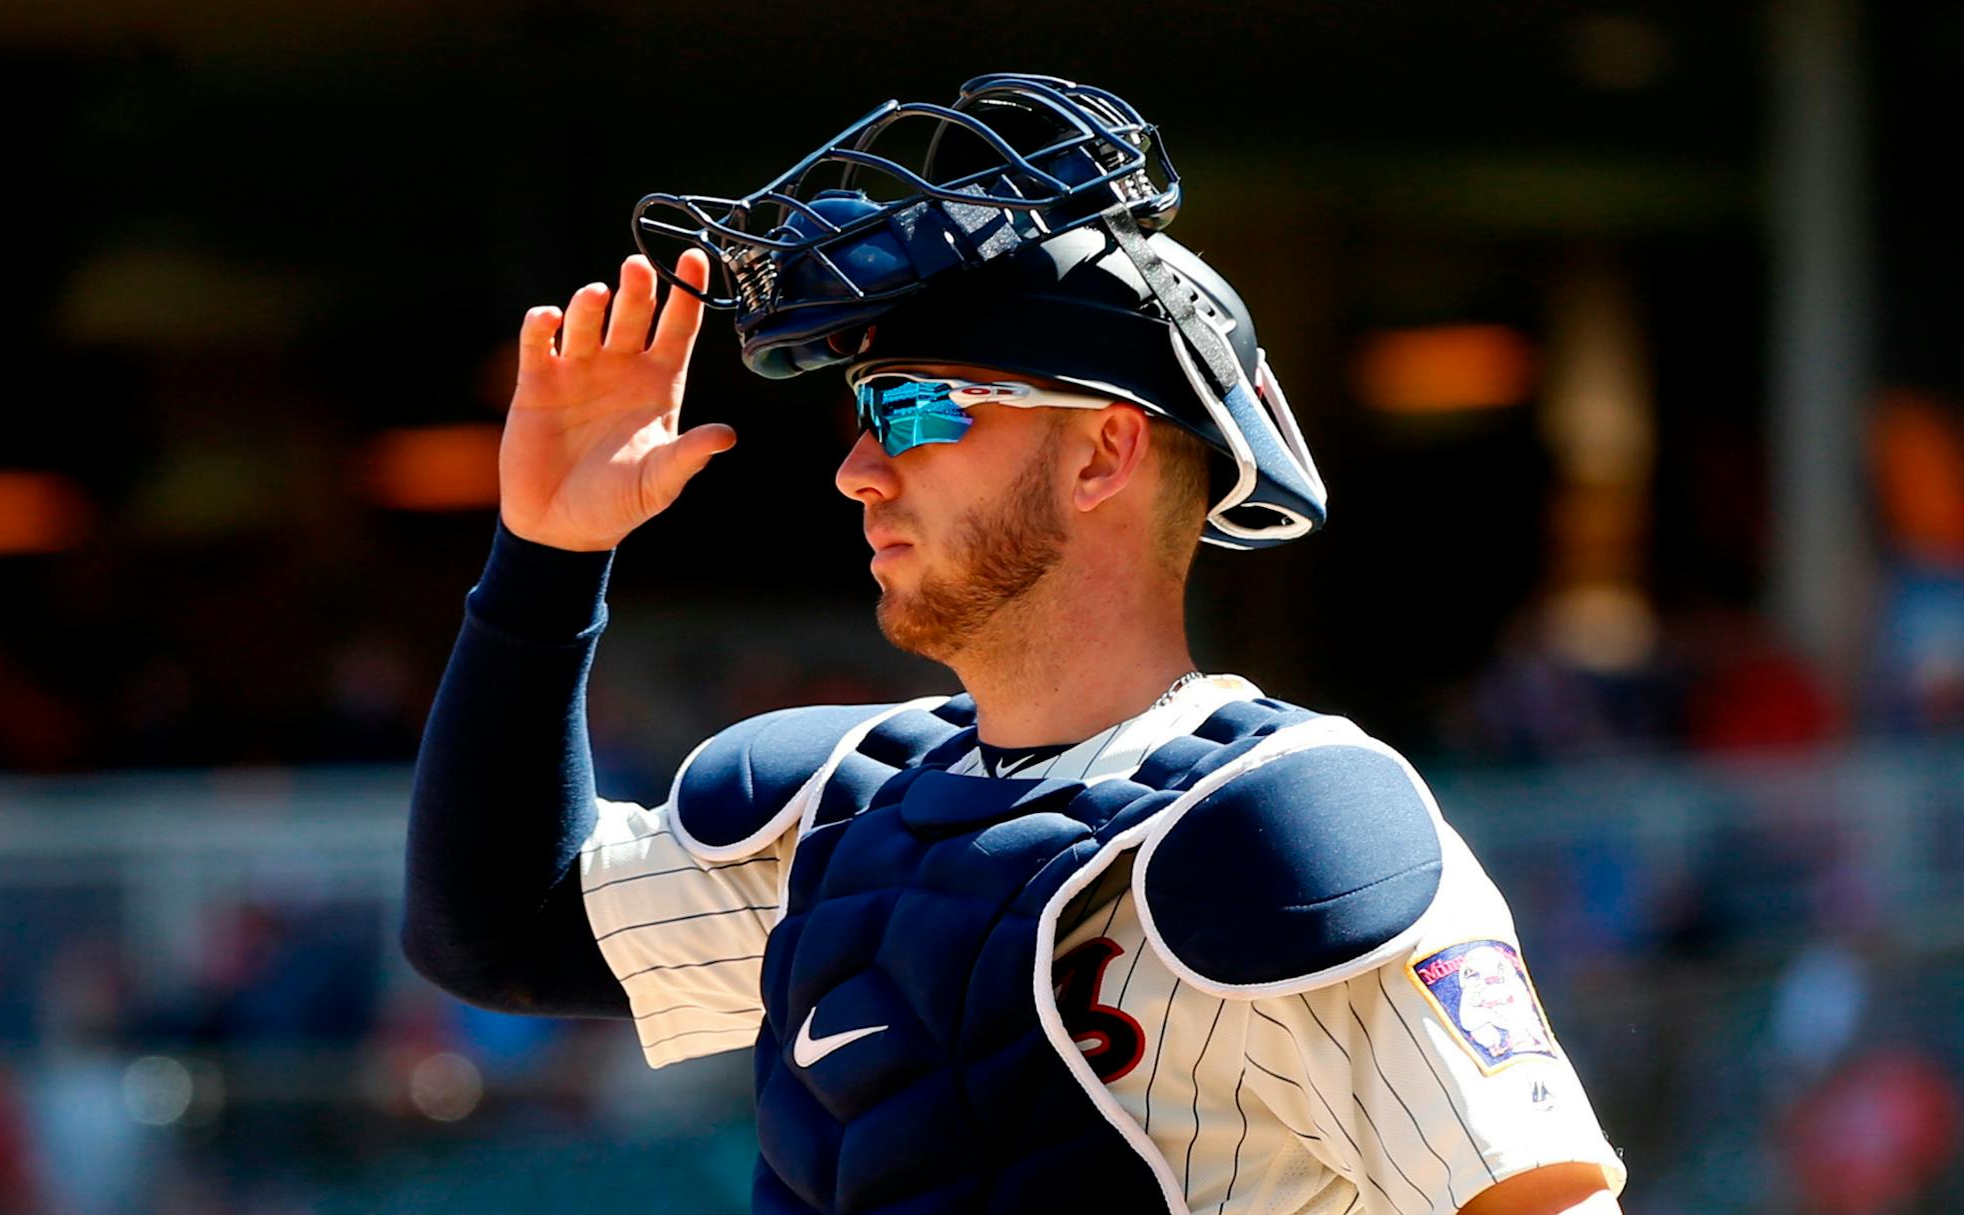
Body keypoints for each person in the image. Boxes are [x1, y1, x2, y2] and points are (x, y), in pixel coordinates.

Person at [403, 74, 1627, 1215]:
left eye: (917, 408)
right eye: (861, 413)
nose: (858, 470)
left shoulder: (1287, 828)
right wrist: (546, 558)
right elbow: (497, 934)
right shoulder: (843, 807)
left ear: (1103, 451)